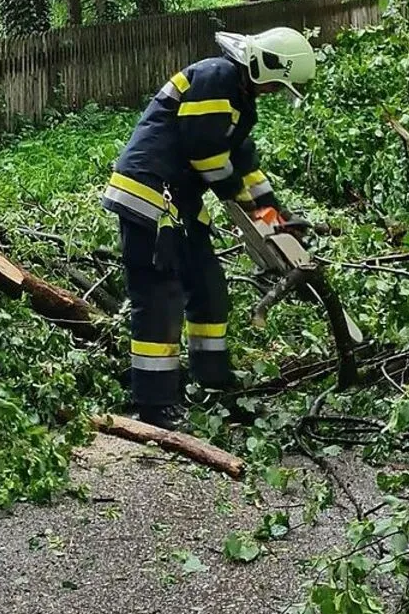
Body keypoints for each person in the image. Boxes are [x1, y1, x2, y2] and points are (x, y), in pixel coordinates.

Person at [101, 27, 316, 431]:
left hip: (179, 206)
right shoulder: (217, 77)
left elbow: (246, 167)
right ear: (264, 65)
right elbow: (206, 155)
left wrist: (277, 219)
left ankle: (214, 384)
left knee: (209, 288)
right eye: (276, 82)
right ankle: (155, 404)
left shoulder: (240, 99)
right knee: (158, 298)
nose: (273, 90)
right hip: (150, 199)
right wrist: (246, 202)